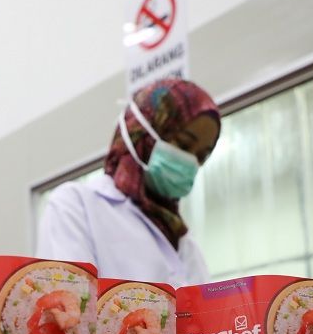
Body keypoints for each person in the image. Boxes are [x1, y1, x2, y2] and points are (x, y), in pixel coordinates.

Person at [36, 78, 221, 287]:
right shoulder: (75, 206)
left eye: (201, 156)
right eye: (184, 144)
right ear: (142, 132)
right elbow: (68, 307)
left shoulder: (184, 242)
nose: (191, 162)